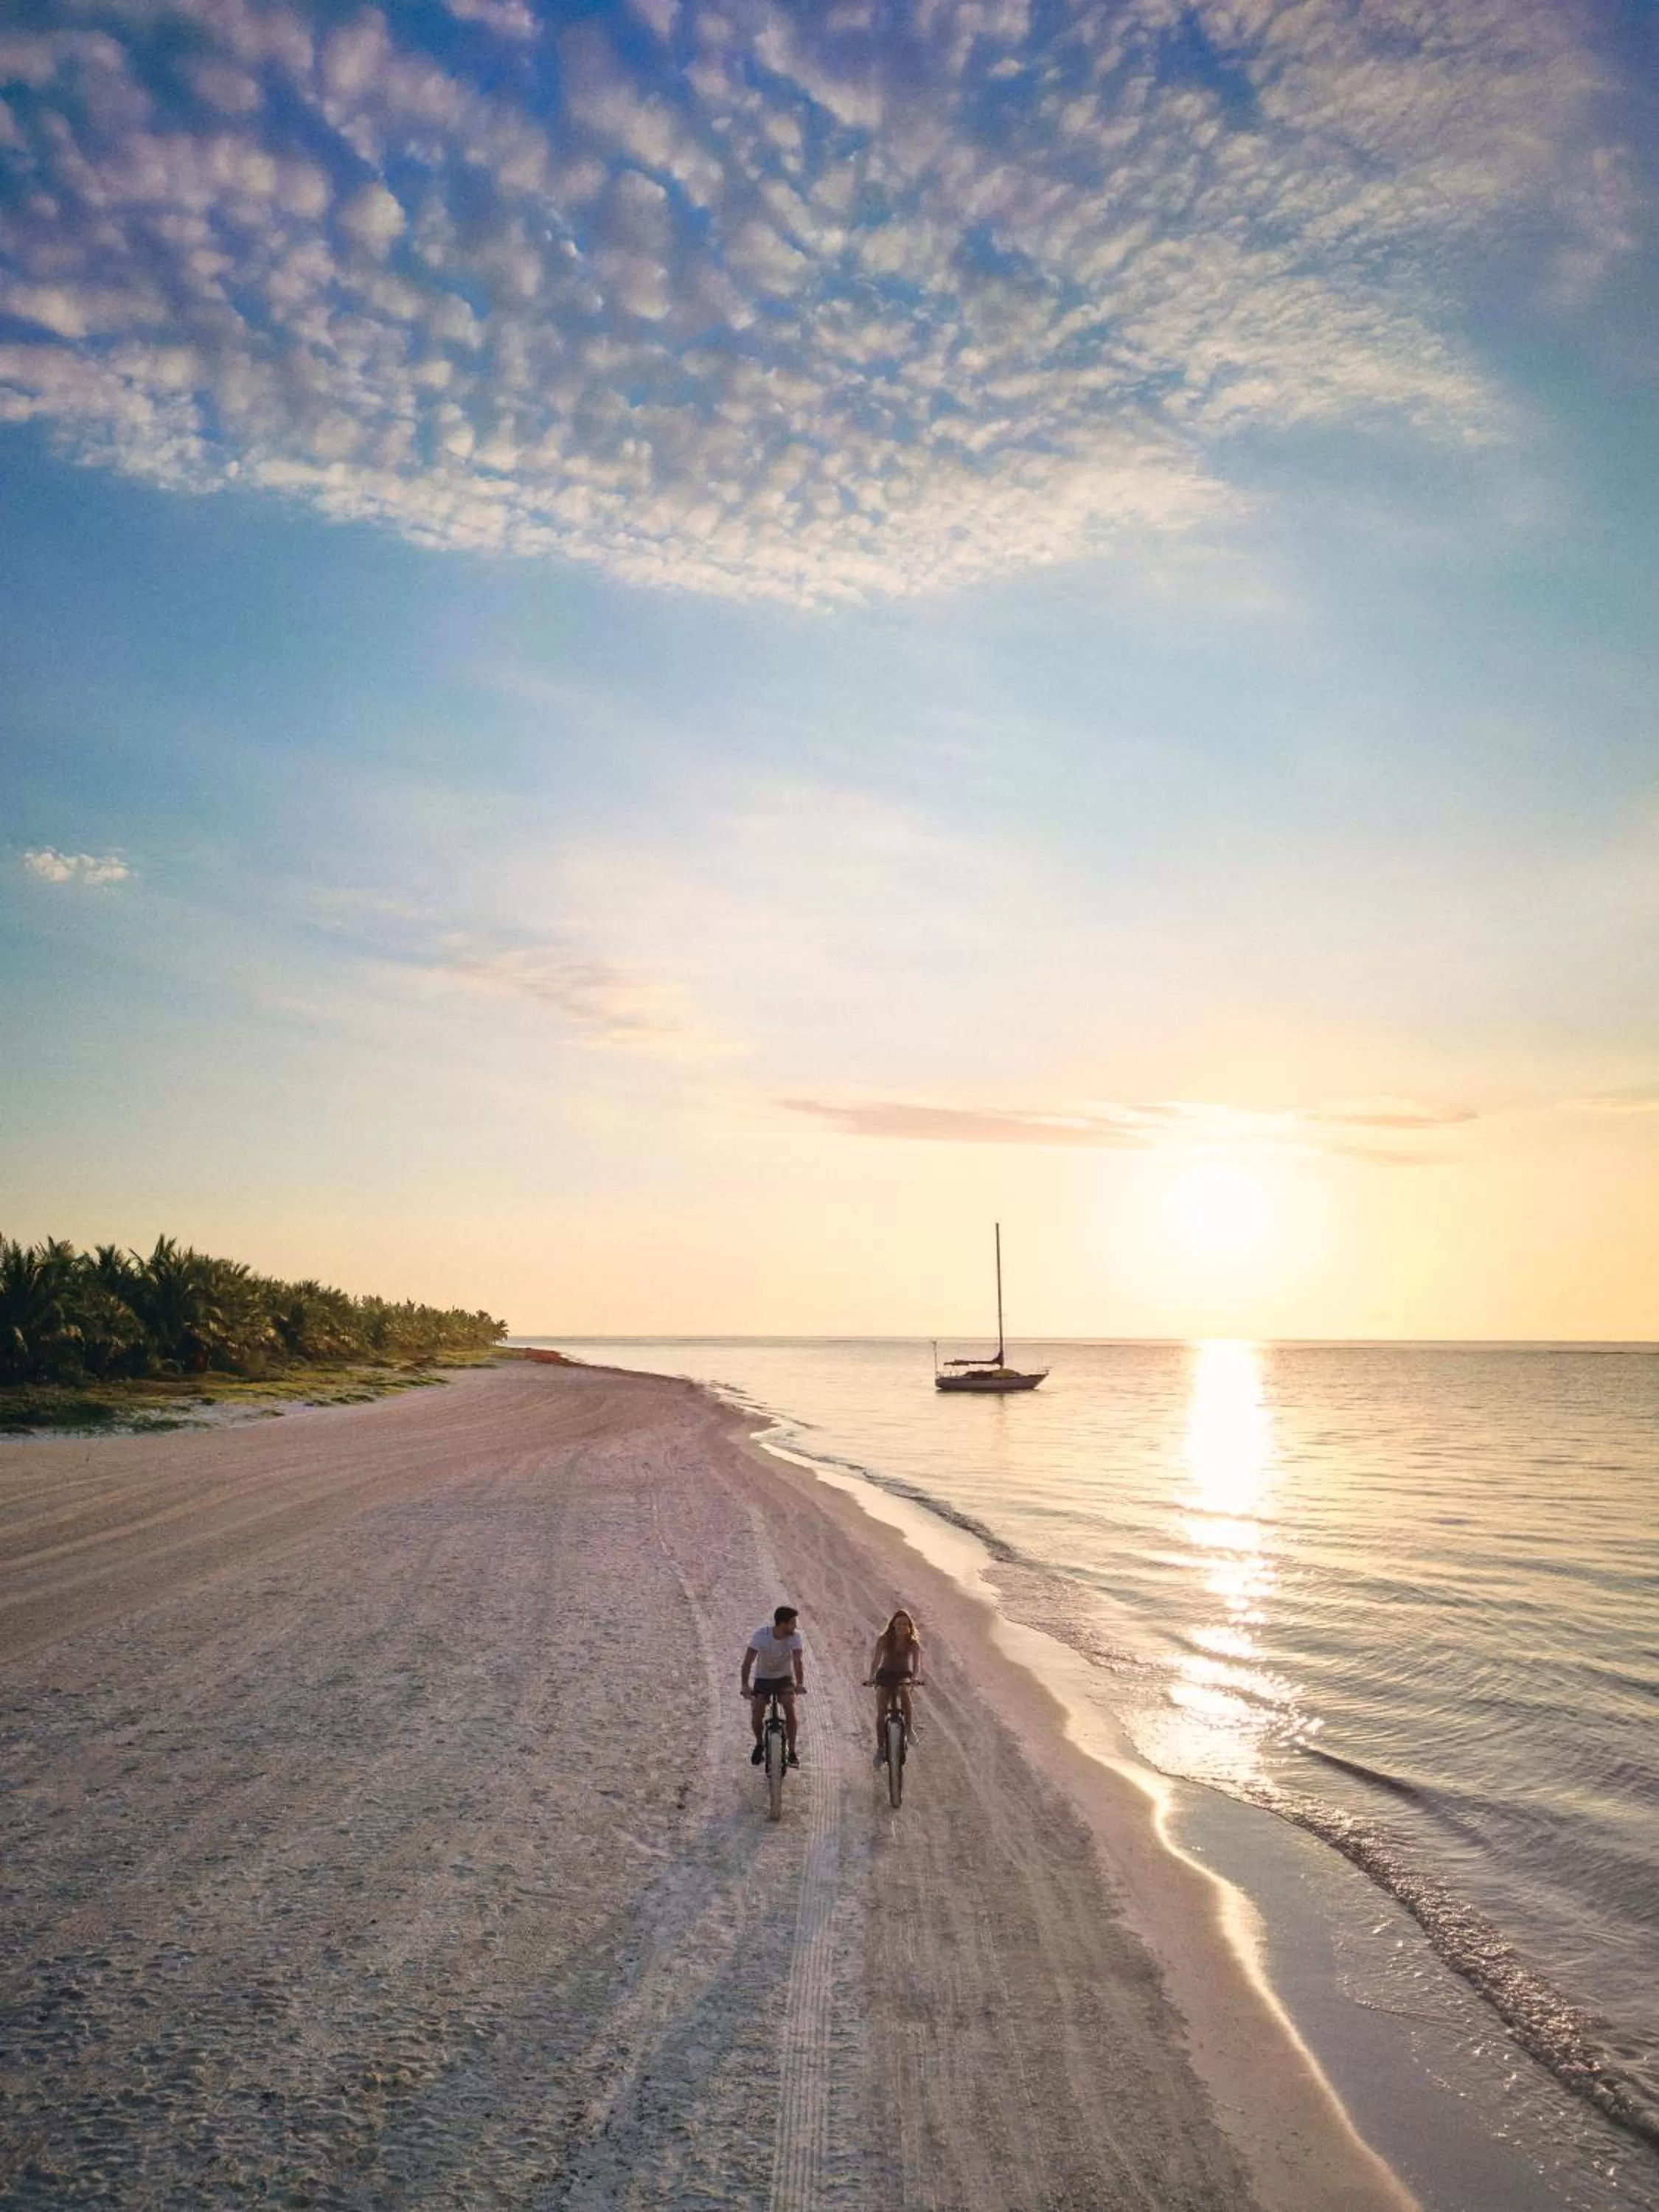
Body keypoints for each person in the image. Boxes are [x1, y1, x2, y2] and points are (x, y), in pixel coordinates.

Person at [742, 1604, 805, 1767]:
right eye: (792, 1623)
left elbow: (798, 1662)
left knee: (790, 1708)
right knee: (758, 1711)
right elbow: (748, 1661)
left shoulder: (795, 1637)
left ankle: (791, 1751)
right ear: (782, 1624)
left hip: (784, 1678)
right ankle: (759, 1744)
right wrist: (745, 1685)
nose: (795, 1626)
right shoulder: (761, 1636)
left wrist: (799, 1683)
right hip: (763, 1678)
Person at [865, 1608, 923, 1764]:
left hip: (904, 1674)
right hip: (885, 1674)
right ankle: (880, 1749)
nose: (902, 1627)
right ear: (893, 1625)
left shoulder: (913, 1642)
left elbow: (916, 1665)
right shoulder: (884, 1639)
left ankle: (909, 1730)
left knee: (904, 1691)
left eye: (905, 1624)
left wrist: (915, 1678)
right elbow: (876, 1661)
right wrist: (871, 1677)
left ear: (909, 1626)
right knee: (881, 1709)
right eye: (899, 1624)